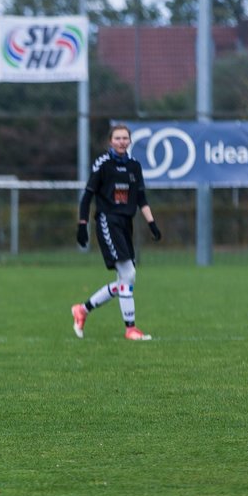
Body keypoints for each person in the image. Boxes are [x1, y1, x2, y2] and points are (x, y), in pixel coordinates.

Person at [71, 124, 161, 341]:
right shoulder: (103, 164)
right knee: (128, 275)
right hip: (107, 221)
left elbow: (141, 198)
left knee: (125, 280)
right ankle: (130, 329)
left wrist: (152, 223)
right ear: (110, 141)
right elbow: (87, 196)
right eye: (118, 138)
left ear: (129, 141)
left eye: (125, 138)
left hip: (125, 223)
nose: (122, 141)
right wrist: (82, 224)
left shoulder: (134, 166)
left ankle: (82, 310)